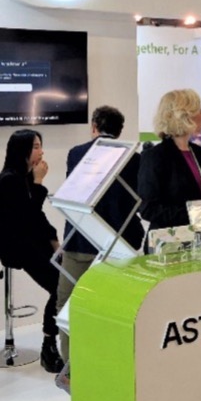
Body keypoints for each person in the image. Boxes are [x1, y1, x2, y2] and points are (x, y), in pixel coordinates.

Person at [58, 106, 145, 368]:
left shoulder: (76, 154)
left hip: (80, 241)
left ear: (94, 126)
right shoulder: (134, 159)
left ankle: (71, 366)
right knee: (113, 307)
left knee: (68, 303)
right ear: (119, 130)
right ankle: (110, 363)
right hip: (118, 245)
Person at [0, 129, 63, 374]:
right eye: (35, 147)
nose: (41, 152)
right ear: (21, 150)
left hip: (34, 242)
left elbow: (38, 218)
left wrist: (54, 242)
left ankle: (53, 341)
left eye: (40, 146)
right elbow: (26, 217)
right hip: (18, 245)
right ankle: (49, 345)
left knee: (64, 283)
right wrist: (39, 183)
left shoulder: (23, 177)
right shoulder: (8, 180)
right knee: (59, 287)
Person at [138, 89, 201, 233]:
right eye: (199, 110)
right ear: (184, 116)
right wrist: (195, 214)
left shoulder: (200, 154)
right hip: (170, 240)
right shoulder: (155, 157)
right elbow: (148, 209)